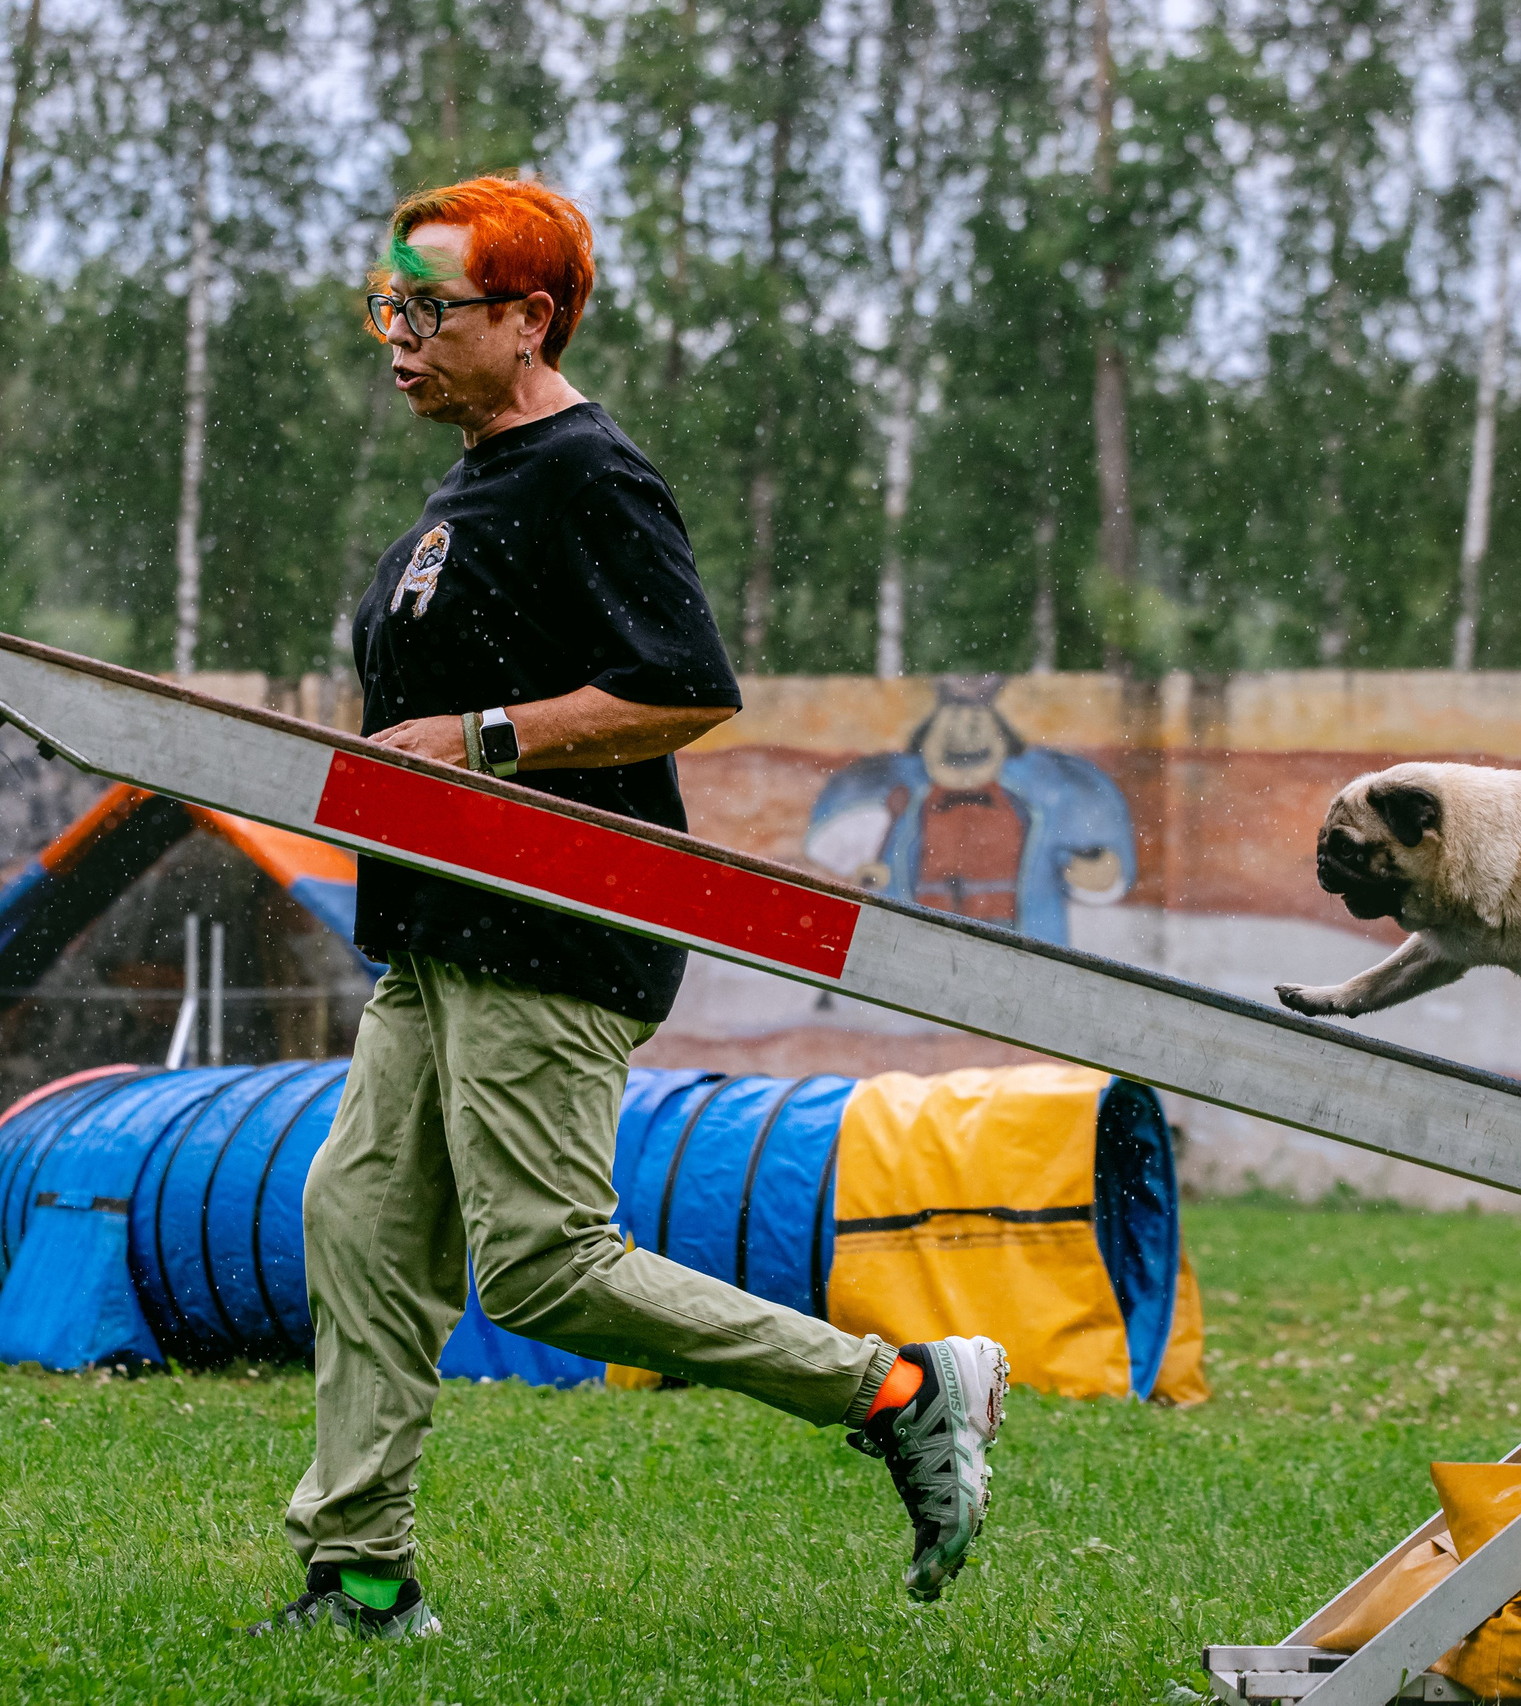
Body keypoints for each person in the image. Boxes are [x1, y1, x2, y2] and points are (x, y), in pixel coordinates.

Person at [248, 176, 1008, 1641]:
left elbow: (684, 686)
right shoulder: (468, 481)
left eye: (428, 308)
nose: (396, 337)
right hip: (438, 928)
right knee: (358, 1218)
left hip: (550, 924)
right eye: (386, 308)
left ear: (529, 318)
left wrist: (478, 739)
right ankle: (359, 1573)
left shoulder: (590, 473)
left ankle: (899, 1387)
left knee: (540, 1261)